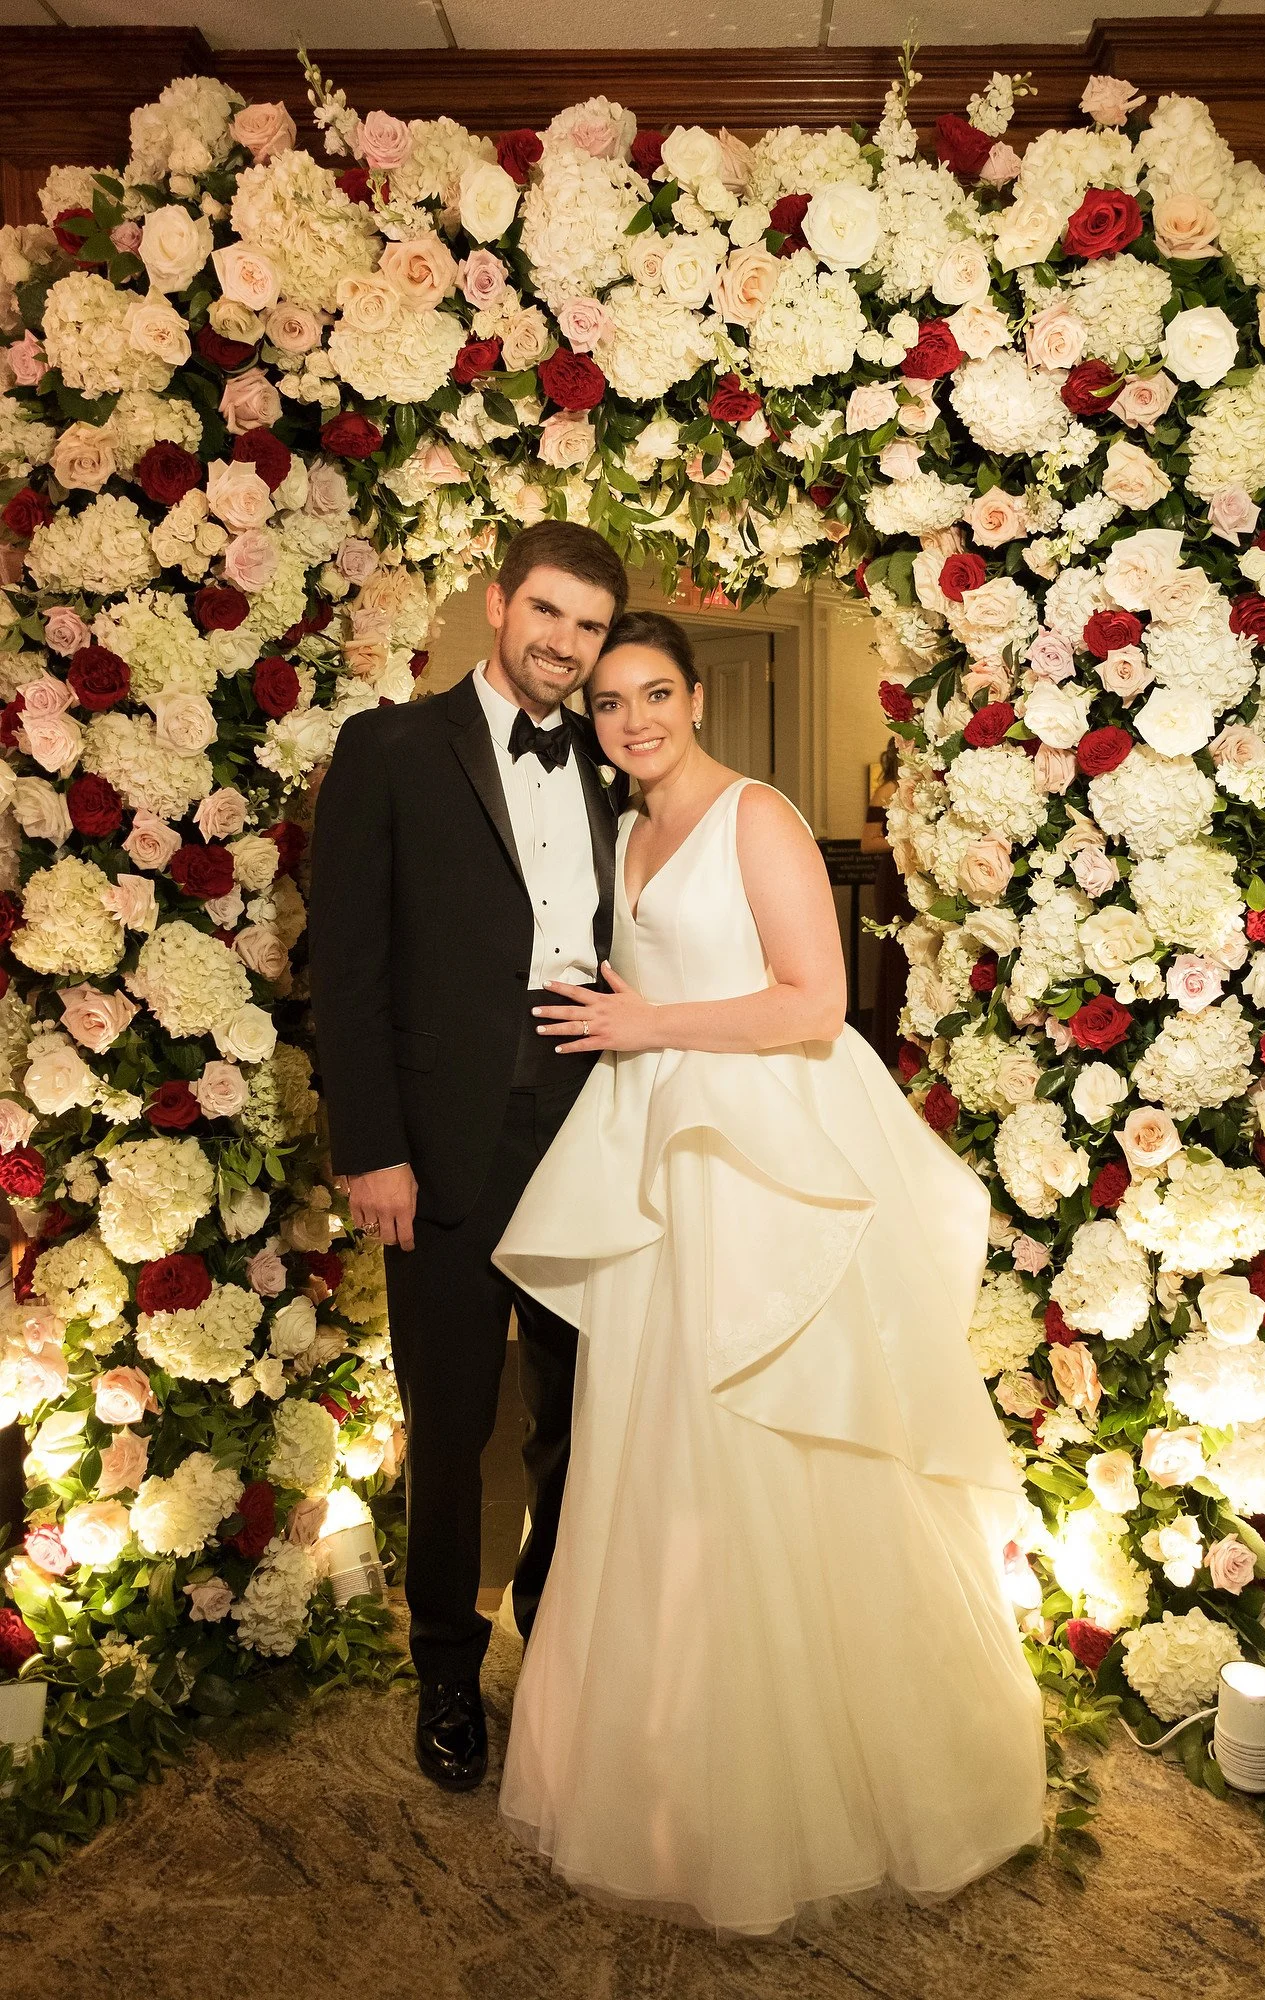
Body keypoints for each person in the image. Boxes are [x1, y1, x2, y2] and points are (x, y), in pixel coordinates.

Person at [492, 611, 1045, 1935]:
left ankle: (838, 1772)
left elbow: (813, 1000)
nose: (636, 720)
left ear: (695, 697)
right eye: (614, 701)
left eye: (657, 694)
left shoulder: (759, 816)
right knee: (660, 1453)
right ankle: (674, 1751)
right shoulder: (626, 833)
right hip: (663, 1165)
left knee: (775, 1437)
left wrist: (648, 1023)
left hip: (763, 1161)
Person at [309, 520, 629, 1795]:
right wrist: (372, 1147)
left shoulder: (619, 761)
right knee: (447, 1422)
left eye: (589, 626)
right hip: (441, 1148)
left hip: (588, 1131)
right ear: (498, 604)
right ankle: (448, 1662)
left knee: (576, 1419)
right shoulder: (389, 746)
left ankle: (552, 1640)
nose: (563, 643)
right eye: (546, 612)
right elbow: (347, 962)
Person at [859, 745, 912, 1067]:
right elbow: (868, 842)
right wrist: (909, 839)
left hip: (913, 876)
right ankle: (888, 1048)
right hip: (893, 880)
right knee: (896, 958)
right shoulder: (887, 789)